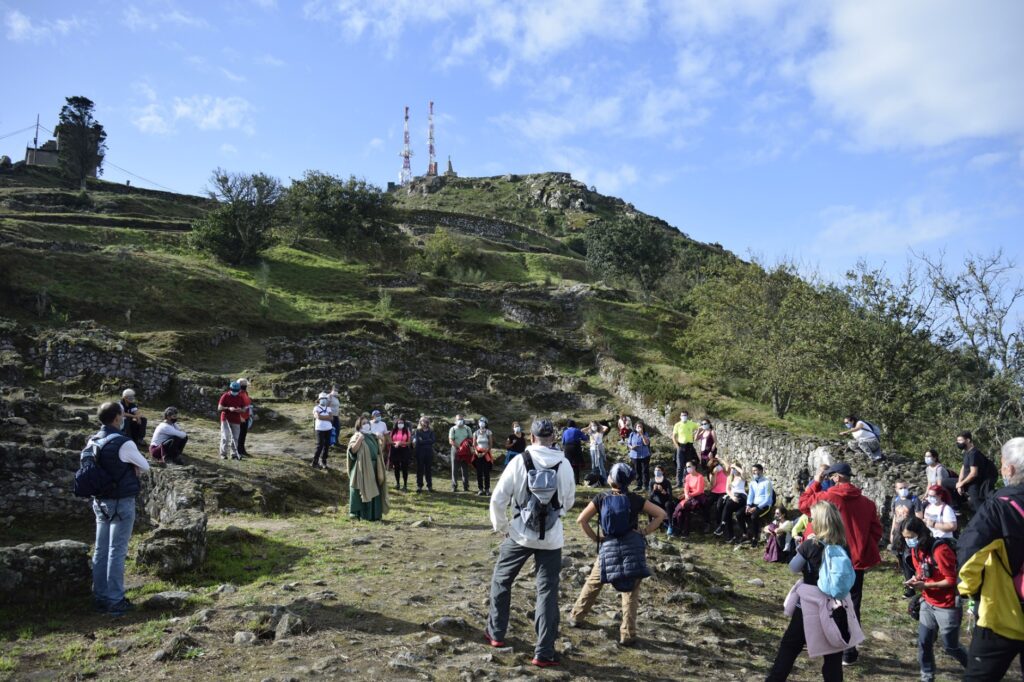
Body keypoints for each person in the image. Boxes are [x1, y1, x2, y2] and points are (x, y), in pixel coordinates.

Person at [487, 419, 576, 668]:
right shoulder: (564, 464)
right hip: (552, 538)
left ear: (531, 437)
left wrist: (503, 527)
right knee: (547, 591)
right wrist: (556, 513)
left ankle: (496, 633)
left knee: (501, 580)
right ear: (553, 438)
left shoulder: (519, 461)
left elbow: (498, 498)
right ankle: (543, 652)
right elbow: (569, 501)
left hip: (519, 534)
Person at [568, 462, 667, 645]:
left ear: (611, 479)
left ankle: (576, 616)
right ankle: (627, 634)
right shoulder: (635, 499)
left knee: (593, 583)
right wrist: (644, 531)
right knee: (630, 592)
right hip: (632, 548)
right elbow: (661, 514)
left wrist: (597, 539)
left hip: (609, 546)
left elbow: (581, 520)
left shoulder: (601, 498)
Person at [765, 501, 860, 682]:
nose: (811, 521)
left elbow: (793, 567)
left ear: (820, 521)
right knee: (833, 655)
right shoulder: (843, 545)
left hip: (809, 605)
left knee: (790, 647)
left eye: (812, 518)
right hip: (836, 604)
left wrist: (801, 548)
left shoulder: (811, 545)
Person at [798, 461, 882, 666]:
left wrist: (816, 480)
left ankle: (827, 642)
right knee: (852, 605)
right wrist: (861, 547)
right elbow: (876, 531)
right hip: (856, 560)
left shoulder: (827, 497)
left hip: (830, 558)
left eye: (830, 476)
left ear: (836, 477)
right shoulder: (867, 503)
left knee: (824, 600)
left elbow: (804, 504)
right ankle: (849, 650)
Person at [956, 436, 1024, 680]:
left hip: (1003, 614)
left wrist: (970, 590)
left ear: (1009, 469)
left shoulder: (999, 506)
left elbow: (969, 552)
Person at [89, 402, 150, 616]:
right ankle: (115, 600)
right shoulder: (123, 442)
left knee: (101, 549)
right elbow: (145, 466)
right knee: (117, 550)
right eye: (121, 416)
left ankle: (100, 596)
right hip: (121, 501)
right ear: (116, 418)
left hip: (100, 501)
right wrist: (132, 466)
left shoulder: (93, 440)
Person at [901, 516, 969, 681]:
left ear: (920, 533)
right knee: (924, 641)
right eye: (905, 538)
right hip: (927, 603)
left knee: (951, 646)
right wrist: (915, 580)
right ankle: (927, 675)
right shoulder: (915, 550)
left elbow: (951, 580)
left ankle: (975, 669)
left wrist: (926, 586)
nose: (908, 541)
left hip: (947, 605)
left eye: (910, 537)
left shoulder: (940, 550)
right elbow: (920, 572)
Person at [347, 415, 389, 521]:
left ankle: (374, 515)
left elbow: (380, 450)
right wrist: (359, 440)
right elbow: (352, 451)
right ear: (359, 426)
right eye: (363, 423)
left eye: (367, 423)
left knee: (375, 489)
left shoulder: (372, 436)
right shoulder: (357, 436)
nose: (366, 425)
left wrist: (381, 439)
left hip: (374, 467)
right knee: (359, 489)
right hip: (361, 467)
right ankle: (358, 514)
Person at [890, 480, 924, 592]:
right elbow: (895, 517)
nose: (903, 490)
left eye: (905, 487)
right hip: (897, 534)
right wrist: (892, 532)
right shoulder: (895, 500)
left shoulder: (914, 500)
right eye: (900, 488)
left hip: (909, 534)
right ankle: (908, 584)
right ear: (896, 489)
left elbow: (919, 518)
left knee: (908, 559)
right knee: (901, 559)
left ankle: (913, 586)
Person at [955, 431, 998, 513]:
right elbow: (963, 468)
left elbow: (973, 473)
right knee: (945, 482)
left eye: (960, 440)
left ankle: (985, 518)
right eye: (957, 441)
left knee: (978, 506)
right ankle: (958, 507)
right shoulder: (966, 453)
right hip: (966, 482)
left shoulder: (974, 454)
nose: (958, 443)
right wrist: (959, 483)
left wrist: (962, 483)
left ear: (968, 440)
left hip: (974, 483)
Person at [740, 463, 774, 546]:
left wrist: (756, 508)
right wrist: (748, 505)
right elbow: (750, 495)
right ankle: (745, 535)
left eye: (755, 470)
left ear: (761, 471)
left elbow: (768, 499)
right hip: (754, 504)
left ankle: (755, 538)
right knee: (739, 514)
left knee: (754, 516)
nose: (754, 472)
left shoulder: (767, 482)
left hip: (765, 505)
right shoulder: (752, 483)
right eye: (752, 471)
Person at [670, 461, 706, 538]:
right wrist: (686, 494)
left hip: (698, 497)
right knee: (681, 511)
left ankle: (685, 531)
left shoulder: (700, 477)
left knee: (685, 507)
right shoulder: (687, 476)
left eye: (689, 466)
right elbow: (686, 488)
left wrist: (689, 495)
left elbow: (699, 491)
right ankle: (679, 530)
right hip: (689, 496)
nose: (687, 468)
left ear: (694, 467)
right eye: (686, 467)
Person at [715, 462, 748, 542]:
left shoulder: (741, 477)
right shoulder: (730, 477)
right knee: (728, 510)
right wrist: (732, 497)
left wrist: (736, 466)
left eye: (734, 468)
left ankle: (722, 525)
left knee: (728, 505)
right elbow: (727, 490)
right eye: (732, 468)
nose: (733, 470)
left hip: (741, 496)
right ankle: (731, 536)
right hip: (732, 497)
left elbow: (743, 473)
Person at [217, 381, 247, 460]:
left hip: (236, 420)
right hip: (226, 419)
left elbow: (244, 409)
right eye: (233, 390)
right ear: (230, 389)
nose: (235, 392)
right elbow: (219, 408)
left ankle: (234, 454)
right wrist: (228, 408)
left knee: (235, 438)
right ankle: (223, 454)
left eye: (236, 391)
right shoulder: (225, 396)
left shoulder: (240, 397)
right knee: (225, 436)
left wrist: (240, 410)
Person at [671, 410, 699, 485]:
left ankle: (686, 482)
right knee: (680, 466)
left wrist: (697, 433)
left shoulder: (691, 423)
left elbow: (699, 427)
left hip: (689, 446)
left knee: (688, 466)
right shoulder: (677, 425)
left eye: (685, 415)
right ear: (680, 416)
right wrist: (677, 447)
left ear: (687, 416)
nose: (684, 416)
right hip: (681, 446)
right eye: (682, 415)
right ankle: (679, 482)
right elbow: (673, 437)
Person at [449, 414, 473, 493]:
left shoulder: (467, 428)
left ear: (464, 420)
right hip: (455, 450)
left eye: (461, 419)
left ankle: (466, 486)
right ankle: (454, 486)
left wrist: (466, 446)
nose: (460, 421)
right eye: (458, 419)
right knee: (454, 468)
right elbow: (451, 440)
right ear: (455, 421)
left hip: (465, 451)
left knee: (465, 468)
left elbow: (471, 438)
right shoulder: (453, 429)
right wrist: (459, 447)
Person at [627, 420, 652, 491]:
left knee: (645, 470)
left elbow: (646, 443)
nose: (639, 428)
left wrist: (642, 435)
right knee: (637, 471)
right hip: (634, 456)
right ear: (635, 428)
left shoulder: (645, 434)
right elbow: (628, 443)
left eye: (641, 426)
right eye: (638, 427)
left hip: (644, 455)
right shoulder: (632, 434)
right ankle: (639, 485)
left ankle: (646, 485)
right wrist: (632, 447)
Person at [412, 417, 436, 492]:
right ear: (420, 422)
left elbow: (433, 440)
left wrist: (423, 441)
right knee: (420, 469)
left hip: (429, 452)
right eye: (423, 421)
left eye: (426, 421)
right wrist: (427, 441)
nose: (425, 422)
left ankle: (429, 486)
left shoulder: (431, 431)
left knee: (428, 469)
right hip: (420, 452)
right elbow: (418, 441)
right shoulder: (418, 431)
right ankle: (419, 486)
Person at [390, 416, 413, 490]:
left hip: (404, 450)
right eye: (399, 423)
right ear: (396, 424)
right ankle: (397, 484)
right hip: (395, 450)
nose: (400, 424)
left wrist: (401, 443)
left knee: (404, 468)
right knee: (396, 468)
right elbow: (390, 441)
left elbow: (409, 442)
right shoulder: (393, 431)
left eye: (402, 423)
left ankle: (405, 485)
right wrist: (395, 443)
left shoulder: (407, 431)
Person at [561, 420, 587, 485]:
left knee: (568, 464)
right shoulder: (577, 430)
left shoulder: (565, 431)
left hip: (567, 448)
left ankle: (567, 481)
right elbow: (585, 438)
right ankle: (576, 482)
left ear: (568, 426)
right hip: (575, 447)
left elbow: (563, 442)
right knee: (576, 465)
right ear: (574, 425)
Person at [473, 417, 495, 495]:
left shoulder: (489, 432)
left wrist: (484, 453)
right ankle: (480, 489)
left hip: (486, 454)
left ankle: (487, 489)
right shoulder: (475, 433)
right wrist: (476, 452)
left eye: (483, 422)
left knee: (486, 472)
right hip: (478, 454)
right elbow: (474, 444)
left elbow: (490, 444)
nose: (481, 423)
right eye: (480, 421)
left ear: (486, 423)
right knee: (479, 472)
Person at [312, 392, 333, 469]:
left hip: (329, 429)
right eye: (322, 399)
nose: (324, 400)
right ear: (319, 400)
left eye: (325, 399)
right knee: (320, 446)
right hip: (319, 429)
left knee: (327, 446)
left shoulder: (329, 408)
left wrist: (322, 417)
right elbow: (318, 417)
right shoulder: (316, 408)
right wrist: (327, 417)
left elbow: (331, 418)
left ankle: (323, 461)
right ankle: (315, 462)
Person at [705, 456, 727, 531]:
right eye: (715, 464)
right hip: (714, 491)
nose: (717, 466)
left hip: (724, 492)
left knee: (719, 505)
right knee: (706, 504)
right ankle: (707, 523)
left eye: (717, 464)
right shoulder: (712, 473)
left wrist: (721, 460)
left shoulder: (723, 470)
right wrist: (714, 474)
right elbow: (713, 484)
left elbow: (728, 467)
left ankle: (719, 524)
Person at [235, 378, 252, 457]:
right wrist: (240, 416)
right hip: (240, 417)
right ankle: (238, 451)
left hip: (246, 416)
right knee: (240, 435)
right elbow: (236, 406)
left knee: (243, 434)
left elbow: (247, 404)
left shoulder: (246, 393)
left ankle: (242, 450)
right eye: (243, 384)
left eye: (245, 384)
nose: (245, 386)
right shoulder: (238, 394)